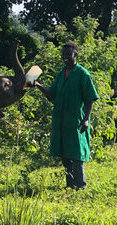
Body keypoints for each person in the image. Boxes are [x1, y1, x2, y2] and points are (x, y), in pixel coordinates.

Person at [33, 41, 99, 190]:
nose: (65, 57)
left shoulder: (83, 74)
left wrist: (86, 119)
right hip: (62, 120)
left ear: (75, 55)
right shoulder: (60, 74)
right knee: (65, 153)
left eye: (68, 54)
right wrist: (38, 85)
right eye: (63, 54)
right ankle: (70, 185)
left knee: (76, 154)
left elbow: (90, 99)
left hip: (76, 119)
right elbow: (52, 95)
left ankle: (81, 186)